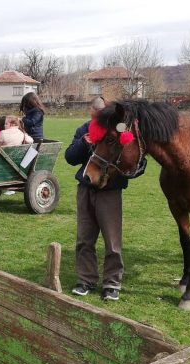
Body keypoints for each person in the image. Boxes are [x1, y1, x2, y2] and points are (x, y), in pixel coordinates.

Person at [64, 97, 127, 301]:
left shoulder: (119, 129)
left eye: (102, 111)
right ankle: (86, 280)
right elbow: (70, 157)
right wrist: (83, 143)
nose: (98, 114)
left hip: (110, 191)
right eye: (95, 110)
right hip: (85, 189)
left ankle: (112, 283)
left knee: (112, 241)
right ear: (91, 111)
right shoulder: (84, 129)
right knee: (84, 238)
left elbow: (132, 156)